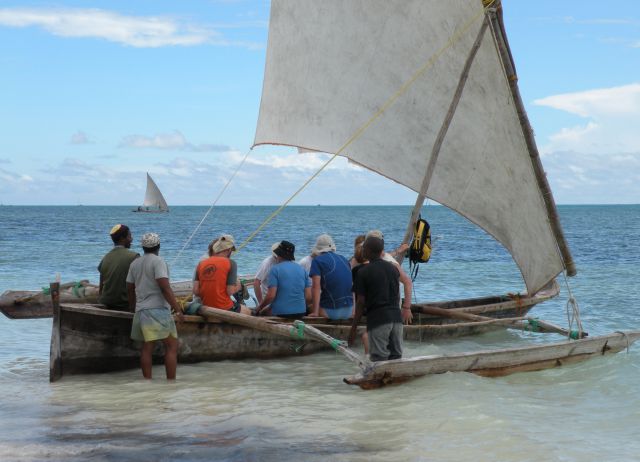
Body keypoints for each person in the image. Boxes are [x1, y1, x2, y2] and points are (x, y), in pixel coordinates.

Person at [126, 232, 183, 379]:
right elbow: (164, 287)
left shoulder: (135, 263)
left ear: (143, 247)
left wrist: (132, 308)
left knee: (147, 347)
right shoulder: (158, 261)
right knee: (171, 345)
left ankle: (148, 382)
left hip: (141, 311)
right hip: (158, 310)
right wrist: (177, 309)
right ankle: (171, 382)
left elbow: (130, 288)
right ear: (158, 246)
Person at [349, 235, 412, 361]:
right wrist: (405, 308)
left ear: (369, 251)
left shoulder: (363, 272)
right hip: (396, 320)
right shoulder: (393, 268)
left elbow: (361, 302)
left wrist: (353, 328)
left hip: (379, 320)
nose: (362, 251)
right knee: (396, 358)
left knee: (379, 360)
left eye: (364, 249)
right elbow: (397, 294)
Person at [193, 234, 251, 315]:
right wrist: (238, 287)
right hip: (224, 307)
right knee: (248, 311)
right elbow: (230, 291)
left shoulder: (201, 264)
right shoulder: (231, 263)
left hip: (205, 305)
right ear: (228, 250)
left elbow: (196, 291)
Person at [255, 241, 311, 319]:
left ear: (279, 255)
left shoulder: (275, 269)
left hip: (281, 312)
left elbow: (271, 296)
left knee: (261, 313)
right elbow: (308, 297)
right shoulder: (302, 269)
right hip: (301, 312)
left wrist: (260, 307)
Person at [309, 234, 353, 320]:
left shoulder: (317, 261)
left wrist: (315, 312)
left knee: (309, 307)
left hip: (331, 312)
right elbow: (351, 285)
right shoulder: (344, 259)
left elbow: (315, 287)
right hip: (349, 310)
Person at [98, 224, 139, 311]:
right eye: (129, 236)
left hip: (105, 303)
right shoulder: (134, 256)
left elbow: (101, 287)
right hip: (124, 305)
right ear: (122, 239)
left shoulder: (106, 257)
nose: (131, 239)